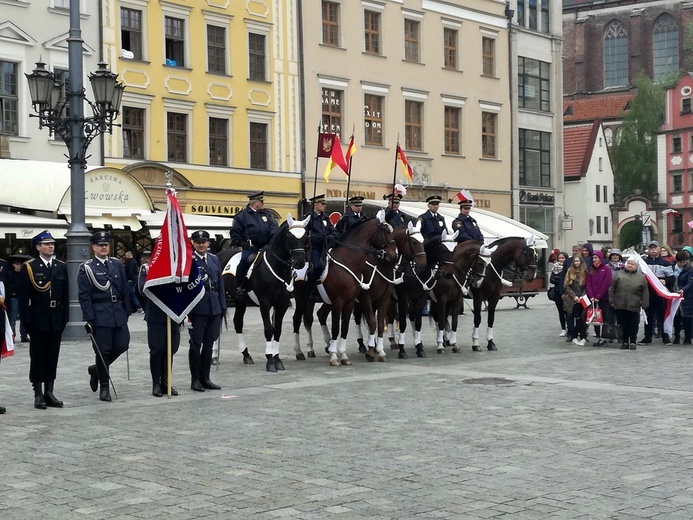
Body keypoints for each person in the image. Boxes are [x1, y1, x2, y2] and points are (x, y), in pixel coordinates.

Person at [17, 231, 70, 409]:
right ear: (38, 247)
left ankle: (49, 391)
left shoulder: (61, 266)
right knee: (38, 356)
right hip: (38, 319)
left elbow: (66, 295)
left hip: (56, 319)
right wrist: (27, 322)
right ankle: (38, 393)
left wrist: (65, 319)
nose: (51, 246)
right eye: (46, 244)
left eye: (52, 244)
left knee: (52, 356)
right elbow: (23, 298)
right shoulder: (30, 267)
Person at [78, 231, 131, 402]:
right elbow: (84, 296)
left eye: (106, 245)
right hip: (100, 314)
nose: (104, 248)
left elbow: (124, 289)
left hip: (117, 312)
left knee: (123, 344)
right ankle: (104, 387)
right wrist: (89, 318)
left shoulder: (116, 264)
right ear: (93, 247)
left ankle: (96, 369)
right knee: (103, 350)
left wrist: (127, 311)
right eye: (100, 245)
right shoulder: (87, 268)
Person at [138, 251, 180, 397]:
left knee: (171, 349)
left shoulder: (178, 268)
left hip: (173, 313)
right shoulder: (147, 268)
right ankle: (156, 383)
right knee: (157, 350)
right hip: (156, 315)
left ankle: (166, 382)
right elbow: (142, 289)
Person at [188, 230, 225, 392]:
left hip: (214, 305)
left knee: (209, 344)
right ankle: (195, 379)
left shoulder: (214, 259)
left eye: (204, 242)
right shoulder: (189, 261)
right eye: (198, 242)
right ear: (193, 243)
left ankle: (206, 378)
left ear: (208, 243)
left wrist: (222, 306)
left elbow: (221, 285)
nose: (201, 245)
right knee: (196, 344)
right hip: (197, 307)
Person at [231, 191, 278, 298]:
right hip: (251, 247)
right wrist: (242, 243)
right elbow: (234, 233)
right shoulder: (242, 216)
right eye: (261, 201)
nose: (263, 203)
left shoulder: (266, 213)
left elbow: (273, 226)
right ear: (255, 202)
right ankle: (240, 285)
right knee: (245, 261)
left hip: (267, 246)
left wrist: (273, 237)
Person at [609, 255, 649, 350]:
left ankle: (633, 341)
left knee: (634, 324)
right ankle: (625, 341)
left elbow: (645, 292)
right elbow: (612, 289)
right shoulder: (619, 274)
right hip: (620, 304)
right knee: (623, 324)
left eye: (632, 264)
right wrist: (612, 301)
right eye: (629, 263)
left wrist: (645, 304)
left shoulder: (641, 277)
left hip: (634, 305)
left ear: (636, 266)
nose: (630, 265)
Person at [640, 240, 675, 345]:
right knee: (648, 316)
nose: (653, 250)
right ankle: (647, 337)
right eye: (651, 248)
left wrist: (665, 281)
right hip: (648, 293)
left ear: (659, 249)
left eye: (655, 248)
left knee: (662, 316)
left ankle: (665, 337)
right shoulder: (644, 262)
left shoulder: (665, 263)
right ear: (648, 250)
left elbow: (672, 278)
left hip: (660, 293)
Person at [305, 194, 338, 298]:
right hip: (314, 247)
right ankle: (312, 290)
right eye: (323, 204)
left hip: (326, 247)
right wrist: (320, 237)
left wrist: (332, 236)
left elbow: (333, 230)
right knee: (316, 266)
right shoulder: (308, 218)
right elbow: (306, 235)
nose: (325, 206)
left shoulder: (325, 217)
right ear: (316, 205)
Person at [586, 250, 613, 346]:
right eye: (593, 258)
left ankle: (604, 336)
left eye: (596, 258)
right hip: (593, 299)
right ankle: (598, 336)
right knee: (595, 318)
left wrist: (598, 296)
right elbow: (588, 283)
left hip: (603, 298)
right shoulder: (591, 269)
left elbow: (606, 283)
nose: (594, 260)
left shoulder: (606, 269)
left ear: (600, 258)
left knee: (605, 317)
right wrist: (591, 296)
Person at [563, 255, 588, 346]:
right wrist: (574, 296)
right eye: (575, 261)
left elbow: (587, 286)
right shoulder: (570, 271)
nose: (576, 263)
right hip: (572, 299)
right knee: (573, 317)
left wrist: (582, 296)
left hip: (583, 298)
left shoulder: (585, 272)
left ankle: (583, 336)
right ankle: (574, 336)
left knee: (582, 318)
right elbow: (566, 286)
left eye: (578, 261)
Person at [7, 253, 31, 342]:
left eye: (21, 264)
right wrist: (18, 285)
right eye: (17, 264)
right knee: (13, 318)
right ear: (14, 265)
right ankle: (12, 335)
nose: (19, 266)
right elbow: (10, 286)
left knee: (24, 317)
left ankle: (24, 335)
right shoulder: (11, 274)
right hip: (14, 297)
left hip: (23, 298)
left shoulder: (24, 274)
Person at [561, 244, 582, 342]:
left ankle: (580, 333)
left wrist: (582, 295)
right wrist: (571, 294)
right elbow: (565, 282)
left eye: (576, 250)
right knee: (569, 315)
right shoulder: (568, 266)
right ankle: (571, 333)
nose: (574, 252)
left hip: (581, 296)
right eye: (573, 250)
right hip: (570, 296)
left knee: (580, 316)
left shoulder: (584, 269)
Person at [549, 251, 567, 336]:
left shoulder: (568, 267)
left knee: (568, 312)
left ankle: (570, 328)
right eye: (560, 258)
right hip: (557, 292)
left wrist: (559, 280)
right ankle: (563, 328)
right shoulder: (555, 267)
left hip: (566, 292)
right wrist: (560, 280)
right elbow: (551, 280)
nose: (561, 259)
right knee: (560, 311)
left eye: (563, 258)